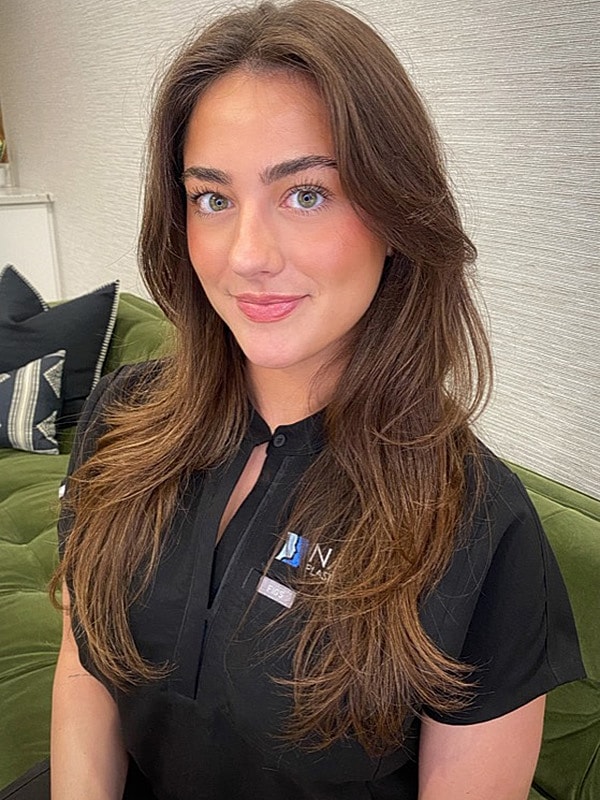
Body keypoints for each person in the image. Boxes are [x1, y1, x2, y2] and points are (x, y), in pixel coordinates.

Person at [41, 1, 586, 798]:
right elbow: (83, 659)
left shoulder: (476, 522)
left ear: (397, 213)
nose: (248, 255)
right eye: (212, 198)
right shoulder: (122, 417)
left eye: (306, 194)